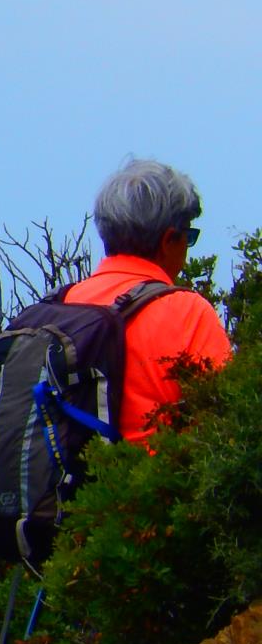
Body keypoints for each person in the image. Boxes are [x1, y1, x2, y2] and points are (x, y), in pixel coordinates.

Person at [64, 159, 232, 447]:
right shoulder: (188, 312)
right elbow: (227, 419)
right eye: (188, 237)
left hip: (63, 474)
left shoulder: (67, 301)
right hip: (152, 474)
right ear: (168, 240)